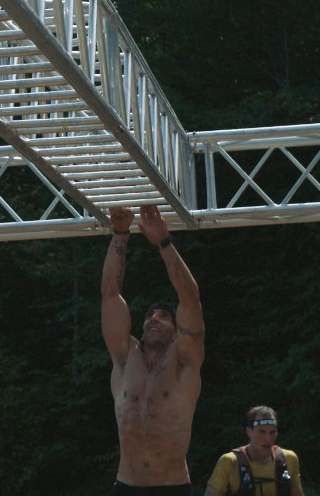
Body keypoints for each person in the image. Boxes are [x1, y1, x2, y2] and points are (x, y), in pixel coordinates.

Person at [101, 204, 205, 495]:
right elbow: (110, 294)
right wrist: (120, 234)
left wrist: (164, 242)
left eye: (163, 316)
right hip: (127, 485)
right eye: (149, 315)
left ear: (177, 332)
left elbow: (190, 300)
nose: (153, 319)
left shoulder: (184, 360)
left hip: (172, 487)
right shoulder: (124, 358)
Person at [203, 406, 304, 496]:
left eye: (272, 432)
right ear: (249, 431)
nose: (268, 438)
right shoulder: (230, 462)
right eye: (262, 432)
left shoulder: (288, 459)